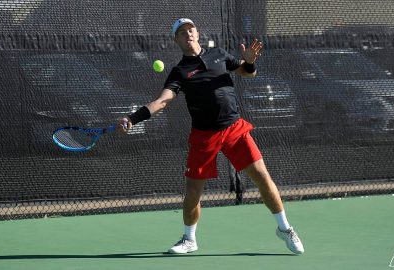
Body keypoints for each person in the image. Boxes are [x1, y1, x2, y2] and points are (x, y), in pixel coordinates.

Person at [117, 18, 304, 255]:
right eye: (183, 32)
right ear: (177, 40)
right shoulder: (179, 71)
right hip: (204, 135)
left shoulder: (218, 54)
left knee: (262, 176)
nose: (189, 34)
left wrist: (249, 62)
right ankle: (189, 239)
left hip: (234, 128)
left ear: (197, 32)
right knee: (193, 191)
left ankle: (285, 229)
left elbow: (246, 73)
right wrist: (132, 118)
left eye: (191, 30)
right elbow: (163, 101)